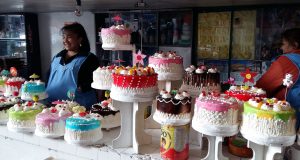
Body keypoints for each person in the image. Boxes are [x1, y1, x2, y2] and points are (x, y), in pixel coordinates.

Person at [46, 22, 99, 109]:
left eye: (69, 37)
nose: (65, 40)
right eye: (63, 37)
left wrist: (81, 88)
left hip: (78, 108)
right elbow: (48, 77)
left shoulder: (90, 59)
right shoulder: (57, 57)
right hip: (53, 106)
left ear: (80, 39)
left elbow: (94, 81)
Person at [256, 28, 300, 129]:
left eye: (283, 44)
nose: (281, 48)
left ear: (295, 44)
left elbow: (263, 86)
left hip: (287, 116)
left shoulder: (286, 61)